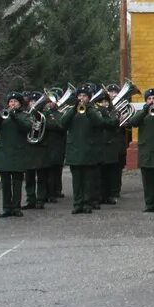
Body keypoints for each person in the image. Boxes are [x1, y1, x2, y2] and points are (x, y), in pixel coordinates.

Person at [60, 85, 107, 214]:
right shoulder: (71, 110)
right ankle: (77, 204)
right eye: (79, 96)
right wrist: (74, 109)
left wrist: (89, 109)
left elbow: (99, 122)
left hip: (88, 150)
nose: (81, 98)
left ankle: (87, 204)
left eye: (84, 96)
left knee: (88, 180)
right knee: (77, 181)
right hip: (75, 150)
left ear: (89, 98)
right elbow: (62, 123)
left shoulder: (93, 110)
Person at [0, 92, 32, 218]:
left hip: (17, 153)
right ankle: (6, 207)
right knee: (6, 183)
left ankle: (16, 207)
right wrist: (0, 117)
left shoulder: (24, 115)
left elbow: (27, 127)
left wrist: (15, 117)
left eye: (15, 102)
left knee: (17, 182)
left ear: (20, 104)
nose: (12, 104)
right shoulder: (3, 116)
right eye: (11, 102)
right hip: (4, 154)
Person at [100, 84, 128, 204]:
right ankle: (103, 194)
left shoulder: (117, 109)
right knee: (104, 171)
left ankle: (114, 191)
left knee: (116, 169)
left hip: (117, 142)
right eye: (110, 92)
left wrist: (123, 120)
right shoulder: (98, 111)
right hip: (103, 144)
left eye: (114, 92)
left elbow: (127, 123)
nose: (112, 94)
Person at [21, 91, 48, 210]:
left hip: (41, 148)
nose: (33, 104)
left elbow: (52, 126)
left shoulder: (44, 115)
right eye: (31, 102)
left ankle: (40, 199)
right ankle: (30, 199)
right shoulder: (25, 114)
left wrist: (37, 122)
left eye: (35, 102)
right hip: (28, 149)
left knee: (41, 177)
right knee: (29, 177)